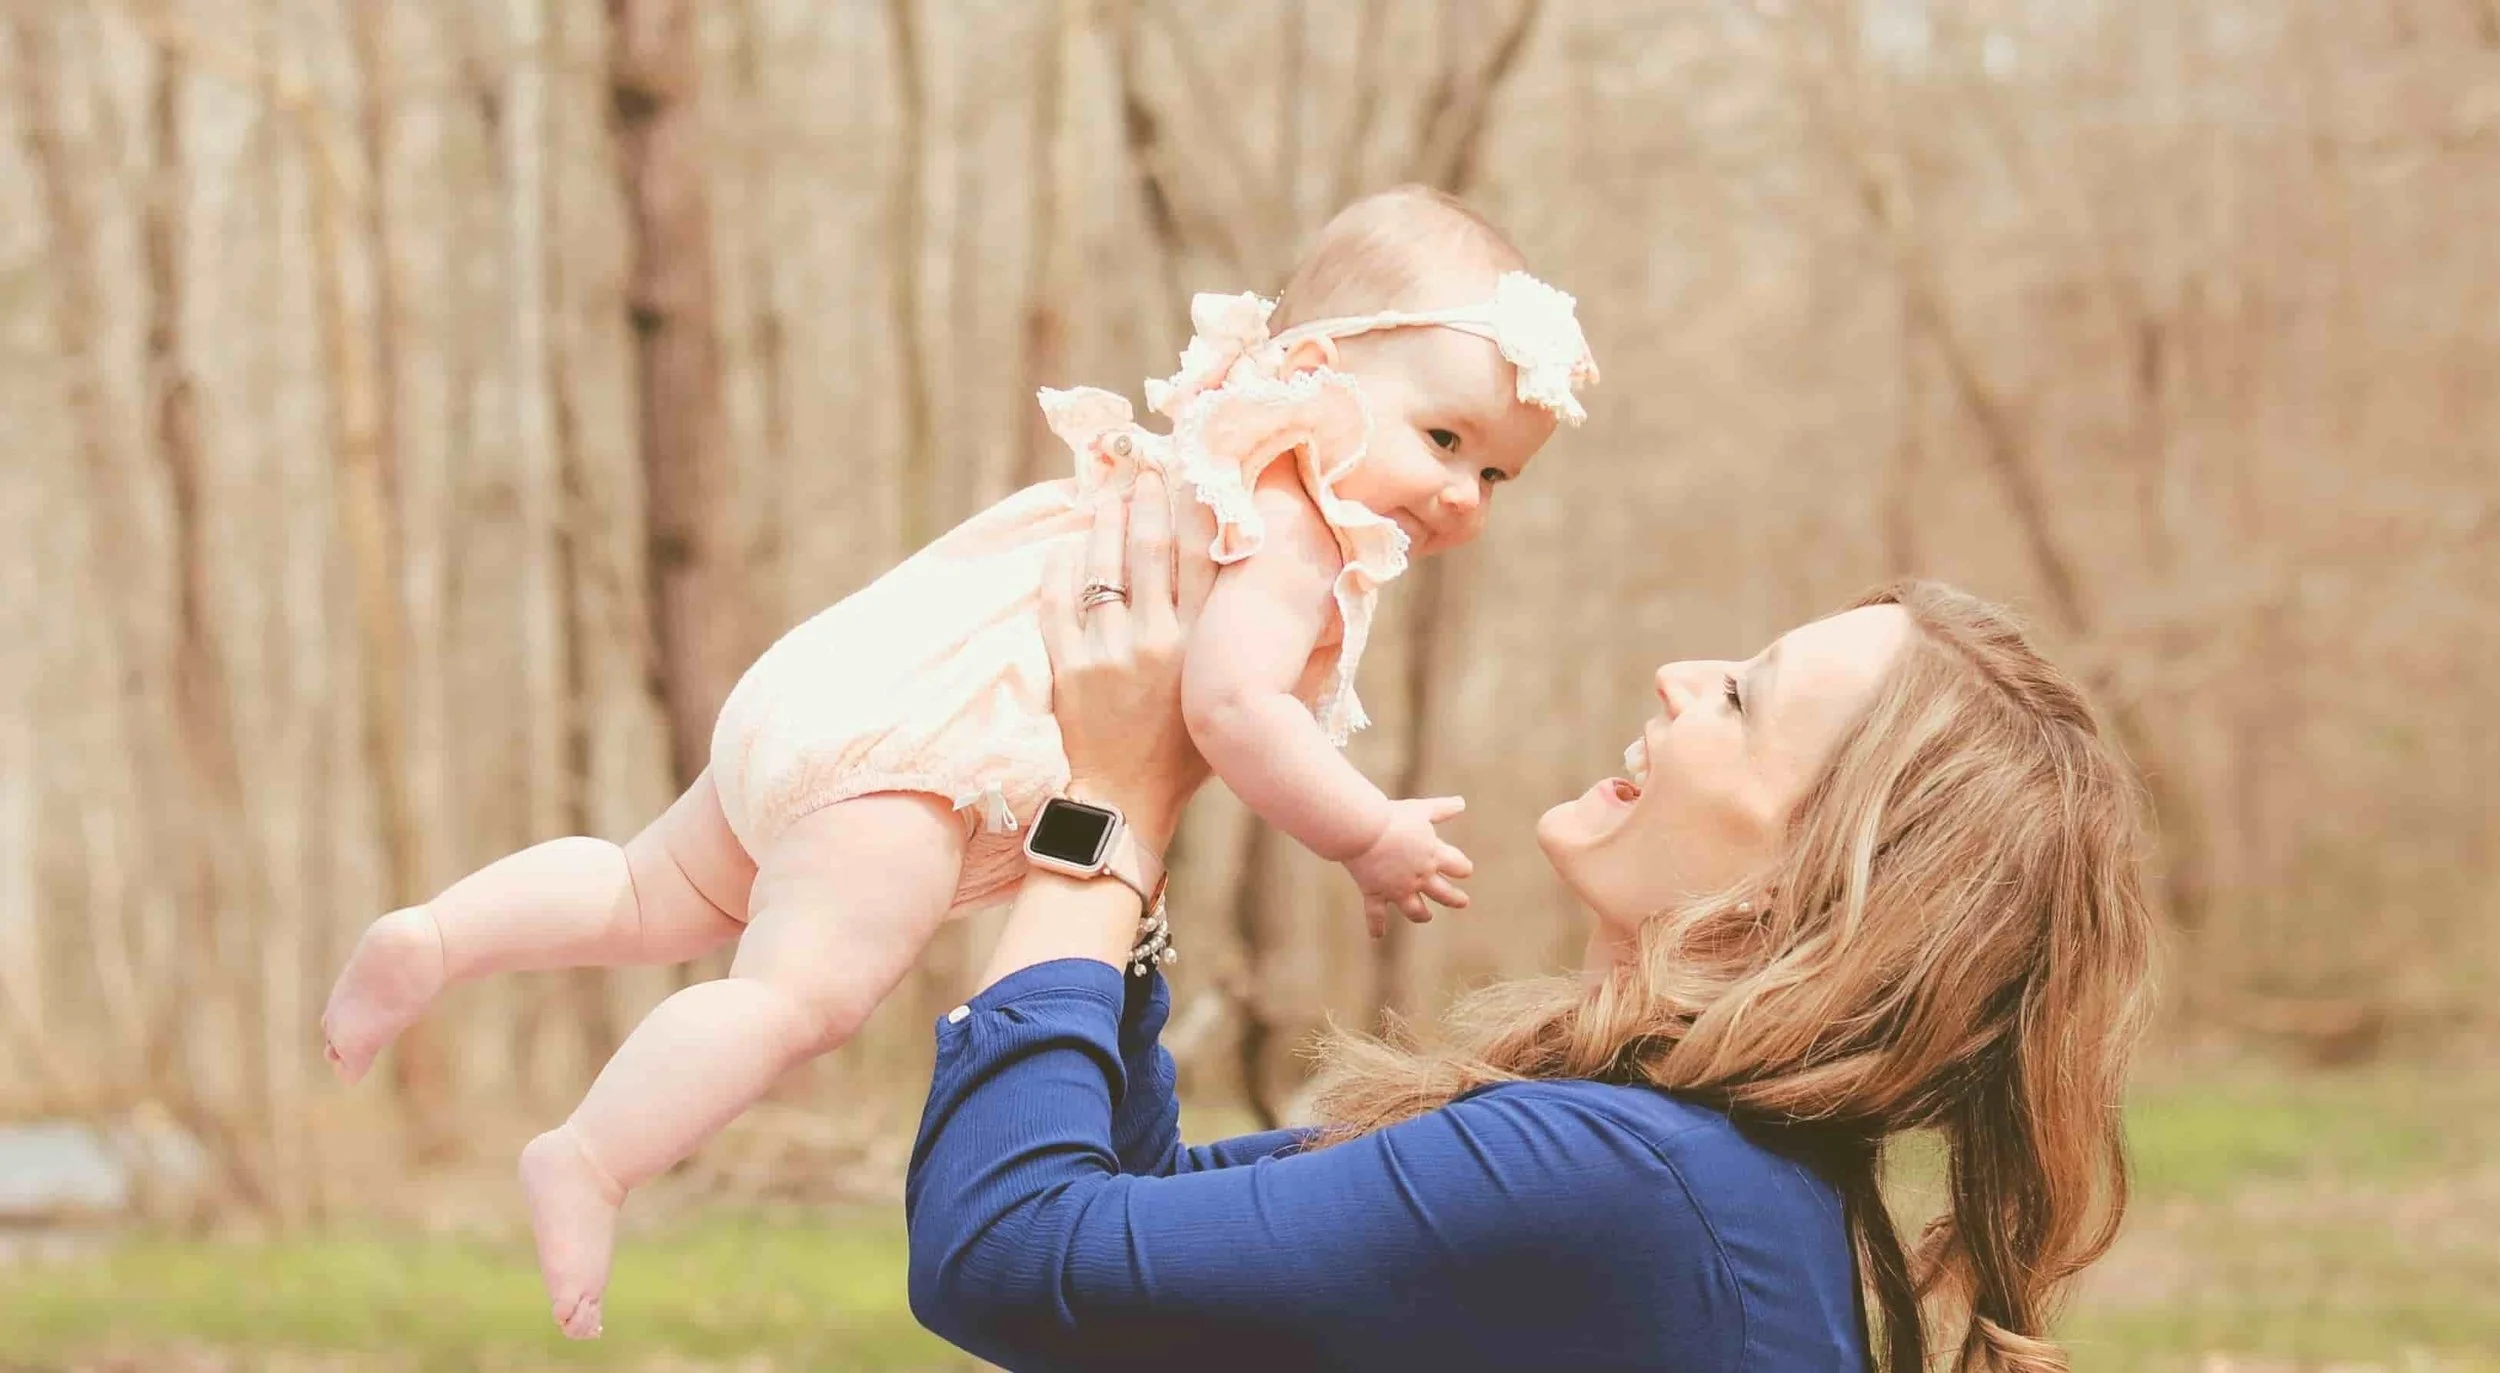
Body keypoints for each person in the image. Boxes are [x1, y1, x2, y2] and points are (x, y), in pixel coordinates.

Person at [313, 185, 1600, 1338]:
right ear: (1316, 371)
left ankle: (437, 934)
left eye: (1499, 473)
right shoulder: (1291, 522)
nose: (1464, 496)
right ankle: (592, 1158)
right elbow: (1229, 708)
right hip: (918, 761)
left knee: (650, 888)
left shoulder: (1209, 451)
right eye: (1443, 441)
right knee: (796, 999)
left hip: (840, 685)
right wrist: (1361, 831)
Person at [906, 474, 2160, 1371]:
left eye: (1740, 696)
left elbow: (1010, 1253)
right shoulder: (1681, 1164)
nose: (1679, 673)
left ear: (1803, 881)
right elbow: (1135, 1229)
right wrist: (1136, 838)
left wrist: (1107, 807)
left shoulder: (1625, 1174)